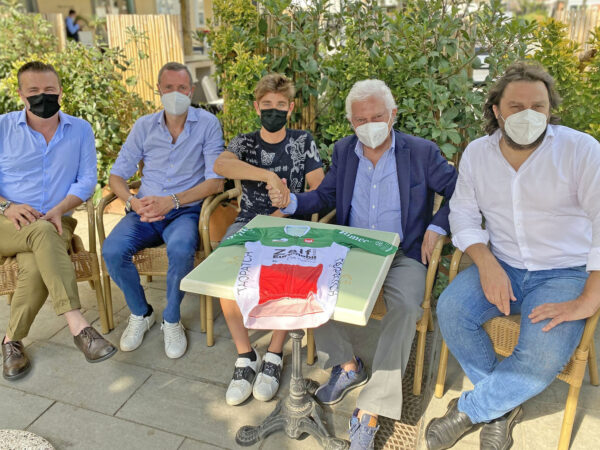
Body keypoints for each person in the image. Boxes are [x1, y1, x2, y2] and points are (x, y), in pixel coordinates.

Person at [269, 79, 457, 449]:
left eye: (377, 117)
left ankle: (371, 408)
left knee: (407, 306)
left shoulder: (421, 152)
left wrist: (438, 225)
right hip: (352, 249)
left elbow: (460, 190)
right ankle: (347, 365)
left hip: (403, 253)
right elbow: (326, 195)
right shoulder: (344, 150)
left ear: (393, 115)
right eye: (360, 119)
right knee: (309, 285)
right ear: (351, 122)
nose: (369, 125)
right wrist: (291, 202)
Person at [425, 62, 600, 450]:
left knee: (539, 360)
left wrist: (589, 298)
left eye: (538, 106)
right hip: (502, 263)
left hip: (564, 272)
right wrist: (485, 263)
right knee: (451, 310)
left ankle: (472, 410)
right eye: (516, 107)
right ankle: (502, 407)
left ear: (550, 110)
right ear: (497, 111)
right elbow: (463, 214)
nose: (528, 115)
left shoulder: (581, 150)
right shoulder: (477, 154)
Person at [212, 73, 325, 406]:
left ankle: (274, 354)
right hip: (249, 222)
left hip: (291, 223)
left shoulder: (302, 141)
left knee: (283, 277)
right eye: (267, 104)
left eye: (280, 104)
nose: (273, 110)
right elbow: (221, 165)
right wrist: (268, 175)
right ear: (256, 106)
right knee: (224, 275)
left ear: (290, 108)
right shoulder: (245, 143)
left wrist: (288, 205)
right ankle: (245, 356)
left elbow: (320, 188)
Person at [0, 61, 117, 380]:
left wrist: (60, 208)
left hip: (54, 221)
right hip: (5, 223)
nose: (43, 96)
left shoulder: (79, 129)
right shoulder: (3, 127)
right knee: (41, 234)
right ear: (21, 94)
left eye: (49, 90)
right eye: (34, 90)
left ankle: (11, 342)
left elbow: (86, 180)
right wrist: (7, 206)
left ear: (60, 92)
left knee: (36, 261)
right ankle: (78, 325)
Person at [102, 62, 224, 359]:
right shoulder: (144, 126)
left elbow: (216, 182)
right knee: (112, 251)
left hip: (184, 212)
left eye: (182, 88)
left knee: (181, 249)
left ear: (191, 91)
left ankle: (171, 318)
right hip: (143, 210)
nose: (175, 93)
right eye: (169, 87)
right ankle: (141, 313)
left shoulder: (207, 124)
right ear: (159, 89)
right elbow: (116, 176)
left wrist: (173, 201)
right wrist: (132, 202)